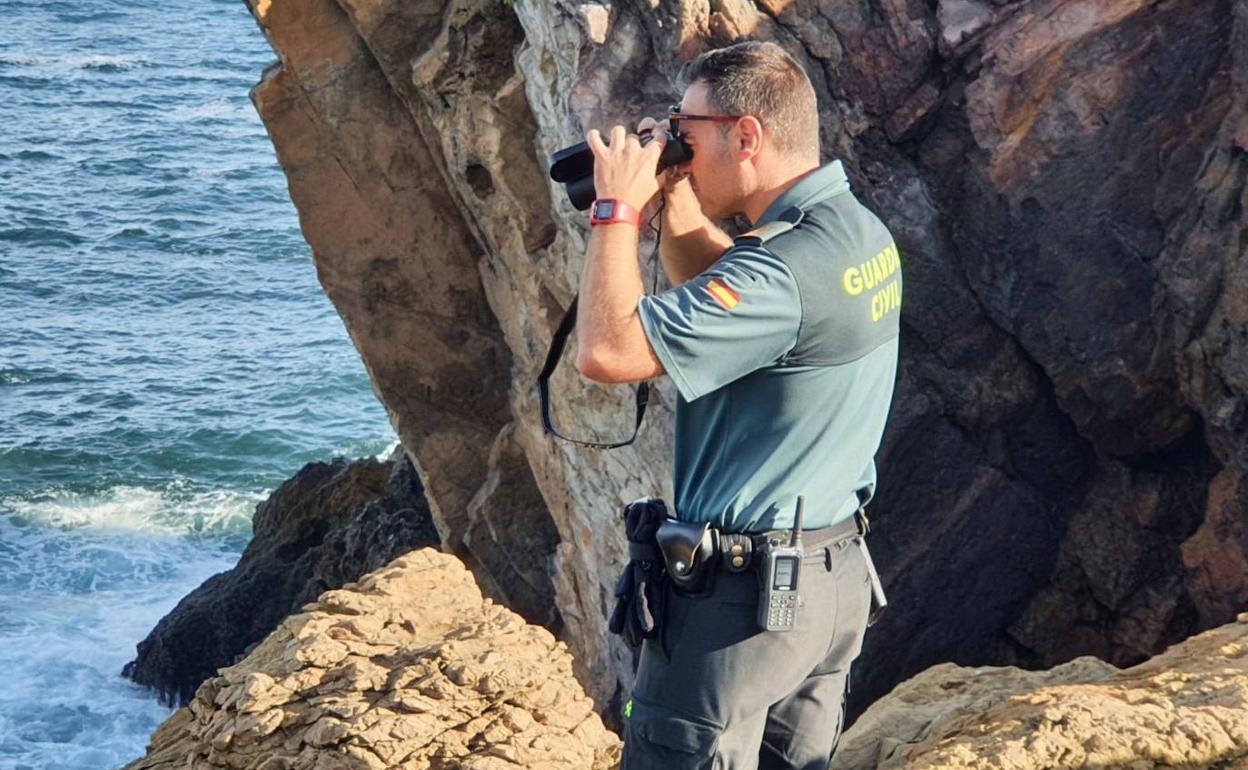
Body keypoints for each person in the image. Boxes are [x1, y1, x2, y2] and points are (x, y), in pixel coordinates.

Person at [575, 40, 902, 770]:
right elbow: (744, 301)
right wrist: (680, 200)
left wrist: (615, 211)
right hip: (826, 586)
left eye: (687, 131)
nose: (678, 145)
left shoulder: (781, 270)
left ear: (746, 135)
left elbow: (607, 354)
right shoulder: (852, 235)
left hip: (737, 615)